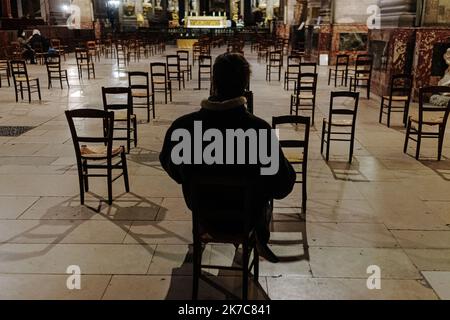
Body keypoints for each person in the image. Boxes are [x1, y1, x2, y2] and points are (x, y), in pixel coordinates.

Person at [159, 53, 296, 262]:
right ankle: (259, 238)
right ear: (245, 85)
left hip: (204, 213)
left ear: (214, 82)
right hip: (247, 217)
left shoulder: (183, 127)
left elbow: (173, 168)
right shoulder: (259, 130)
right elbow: (283, 186)